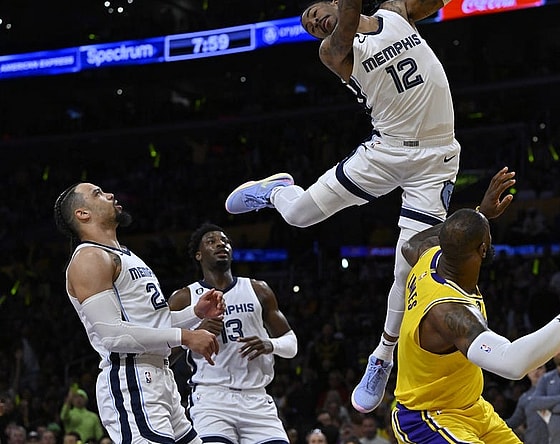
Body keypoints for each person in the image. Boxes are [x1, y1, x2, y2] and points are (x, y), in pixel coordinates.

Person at [225, 0, 461, 414]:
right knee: (297, 216)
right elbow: (350, 19)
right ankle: (275, 190)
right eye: (312, 26)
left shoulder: (394, 12)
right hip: (386, 152)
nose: (316, 23)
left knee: (407, 268)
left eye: (315, 13)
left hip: (436, 158)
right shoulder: (334, 50)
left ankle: (382, 358)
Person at [389, 167, 560, 443]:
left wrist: (480, 214)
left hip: (472, 409)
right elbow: (514, 363)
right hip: (427, 418)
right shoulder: (450, 314)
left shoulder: (430, 257)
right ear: (483, 249)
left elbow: (411, 244)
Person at [53, 182, 224, 444]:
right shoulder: (90, 258)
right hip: (131, 379)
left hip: (160, 378)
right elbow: (112, 335)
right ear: (82, 214)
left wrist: (195, 312)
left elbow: (153, 323)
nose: (110, 194)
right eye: (97, 193)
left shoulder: (126, 255)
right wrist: (186, 337)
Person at [168, 223, 298, 443]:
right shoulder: (184, 297)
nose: (220, 244)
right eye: (211, 241)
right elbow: (162, 354)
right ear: (198, 255)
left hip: (256, 398)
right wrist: (192, 337)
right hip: (211, 398)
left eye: (225, 241)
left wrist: (270, 344)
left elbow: (292, 343)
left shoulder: (258, 289)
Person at [505, 364, 549, 444]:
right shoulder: (524, 398)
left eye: (539, 368)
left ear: (545, 370)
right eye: (532, 368)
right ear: (527, 373)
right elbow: (514, 421)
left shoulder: (557, 391)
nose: (536, 371)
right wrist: (493, 423)